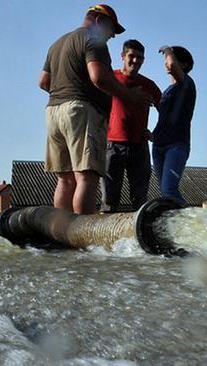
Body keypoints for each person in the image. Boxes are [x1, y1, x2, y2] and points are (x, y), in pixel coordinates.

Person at [39, 4, 152, 214]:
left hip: (54, 111)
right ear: (100, 21)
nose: (111, 36)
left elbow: (44, 82)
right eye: (111, 30)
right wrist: (130, 95)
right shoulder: (94, 40)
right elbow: (98, 77)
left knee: (65, 179)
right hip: (81, 111)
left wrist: (67, 91)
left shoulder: (58, 43)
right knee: (86, 177)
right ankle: (84, 243)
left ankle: (63, 238)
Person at [102, 39, 162, 212]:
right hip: (111, 144)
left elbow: (165, 112)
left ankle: (139, 234)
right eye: (131, 56)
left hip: (139, 146)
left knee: (140, 198)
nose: (135, 61)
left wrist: (155, 134)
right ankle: (106, 235)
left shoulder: (149, 85)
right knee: (109, 198)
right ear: (122, 56)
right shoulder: (109, 78)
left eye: (140, 58)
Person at [152, 46, 196, 206]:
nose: (166, 63)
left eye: (171, 58)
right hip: (158, 146)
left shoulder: (187, 84)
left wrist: (168, 50)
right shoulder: (168, 91)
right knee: (165, 193)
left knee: (169, 190)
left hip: (176, 145)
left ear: (183, 65)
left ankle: (190, 224)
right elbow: (164, 118)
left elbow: (171, 65)